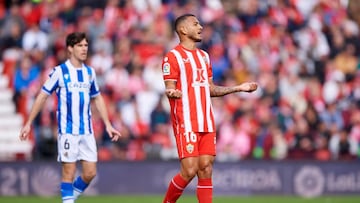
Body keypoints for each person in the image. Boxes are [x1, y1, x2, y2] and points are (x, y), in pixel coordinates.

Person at [161, 14, 258, 203]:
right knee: (189, 170)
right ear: (183, 30)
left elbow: (210, 89)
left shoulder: (204, 57)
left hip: (206, 119)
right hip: (186, 119)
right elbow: (170, 87)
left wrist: (238, 88)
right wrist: (171, 92)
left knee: (206, 168)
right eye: (195, 24)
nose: (200, 27)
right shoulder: (172, 57)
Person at [19, 32, 122, 203]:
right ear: (70, 48)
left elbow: (97, 97)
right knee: (69, 172)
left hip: (87, 131)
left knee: (90, 173)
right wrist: (28, 123)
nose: (84, 49)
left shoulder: (90, 72)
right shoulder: (60, 72)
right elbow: (43, 96)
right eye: (80, 46)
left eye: (86, 45)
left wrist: (108, 124)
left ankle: (69, 199)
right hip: (68, 131)